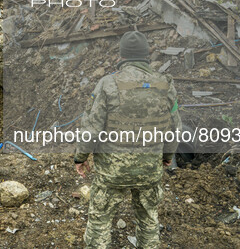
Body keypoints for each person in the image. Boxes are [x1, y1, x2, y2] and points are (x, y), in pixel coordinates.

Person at [74, 31, 181, 248]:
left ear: (122, 57)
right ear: (146, 56)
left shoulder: (108, 84)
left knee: (100, 220)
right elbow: (174, 128)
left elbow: (91, 127)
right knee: (149, 219)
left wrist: (81, 157)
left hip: (112, 172)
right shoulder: (165, 84)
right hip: (149, 169)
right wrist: (167, 156)